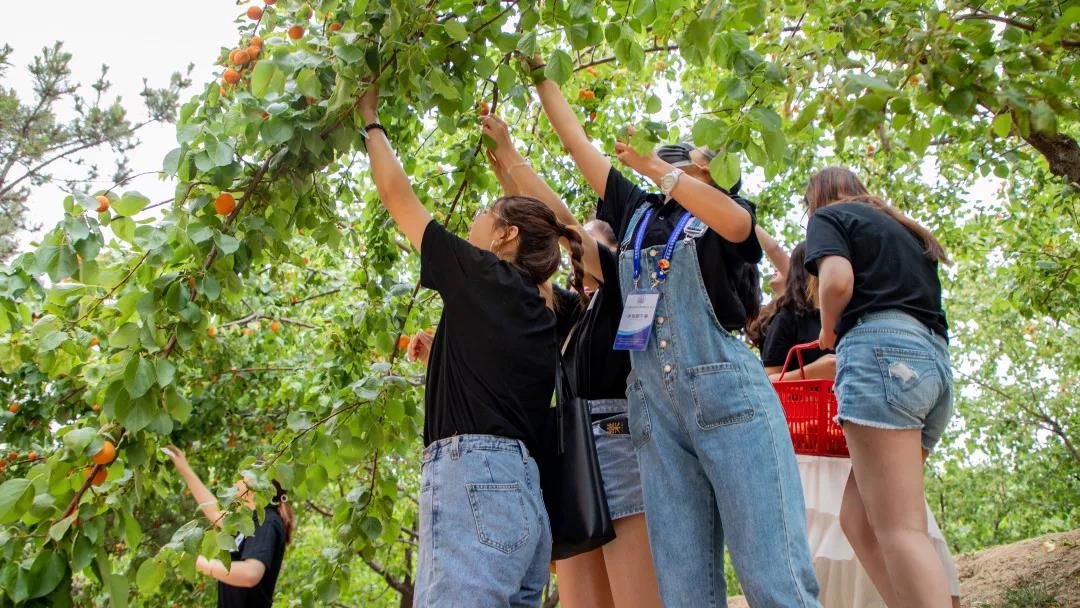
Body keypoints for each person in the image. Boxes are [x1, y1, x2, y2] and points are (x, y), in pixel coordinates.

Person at [530, 57, 820, 607]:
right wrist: (539, 71)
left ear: (710, 168)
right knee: (685, 592)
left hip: (728, 400)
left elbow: (738, 226)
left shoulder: (723, 213)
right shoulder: (636, 212)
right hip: (654, 415)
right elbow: (575, 143)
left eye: (685, 152)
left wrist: (664, 170)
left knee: (773, 579)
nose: (669, 154)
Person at [358, 84, 586, 607]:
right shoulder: (548, 308)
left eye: (487, 211)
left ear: (505, 237)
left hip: (474, 480)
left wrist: (371, 118)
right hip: (525, 494)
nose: (475, 219)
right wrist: (445, 345)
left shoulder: (480, 273)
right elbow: (500, 370)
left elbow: (397, 195)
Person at [476, 114, 662, 608]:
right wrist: (509, 189)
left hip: (619, 445)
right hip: (574, 454)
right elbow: (531, 259)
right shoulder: (577, 311)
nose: (576, 253)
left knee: (637, 596)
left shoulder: (625, 289)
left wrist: (514, 155)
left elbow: (564, 226)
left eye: (594, 243)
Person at [756, 234, 962, 608]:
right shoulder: (791, 318)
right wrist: (818, 369)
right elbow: (766, 382)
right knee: (830, 541)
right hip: (814, 448)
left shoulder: (861, 314)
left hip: (868, 434)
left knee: (900, 526)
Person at [803, 167, 954, 608]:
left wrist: (828, 331)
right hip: (932, 366)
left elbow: (836, 282)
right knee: (860, 521)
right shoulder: (905, 229)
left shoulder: (829, 218)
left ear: (817, 198)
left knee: (899, 528)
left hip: (881, 358)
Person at [165, 446, 294, 607]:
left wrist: (203, 563)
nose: (235, 481)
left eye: (241, 476)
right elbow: (214, 513)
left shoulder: (267, 521)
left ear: (255, 482)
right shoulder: (248, 520)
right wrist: (185, 470)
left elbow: (250, 574)